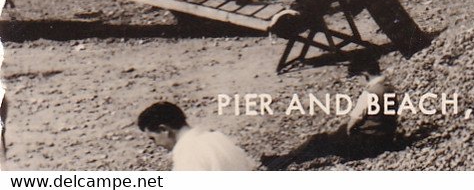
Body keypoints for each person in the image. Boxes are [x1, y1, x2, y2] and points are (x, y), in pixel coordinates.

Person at [260, 68, 401, 169]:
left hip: (367, 145)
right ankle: (284, 159)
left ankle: (279, 162)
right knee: (329, 139)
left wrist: (342, 133)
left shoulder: (370, 93)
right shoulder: (390, 89)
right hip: (385, 141)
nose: (358, 83)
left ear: (364, 74)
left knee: (319, 141)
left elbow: (352, 123)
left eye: (357, 78)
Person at [137, 102, 255, 171]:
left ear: (164, 129)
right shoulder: (217, 138)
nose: (156, 145)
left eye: (153, 139)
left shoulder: (188, 154)